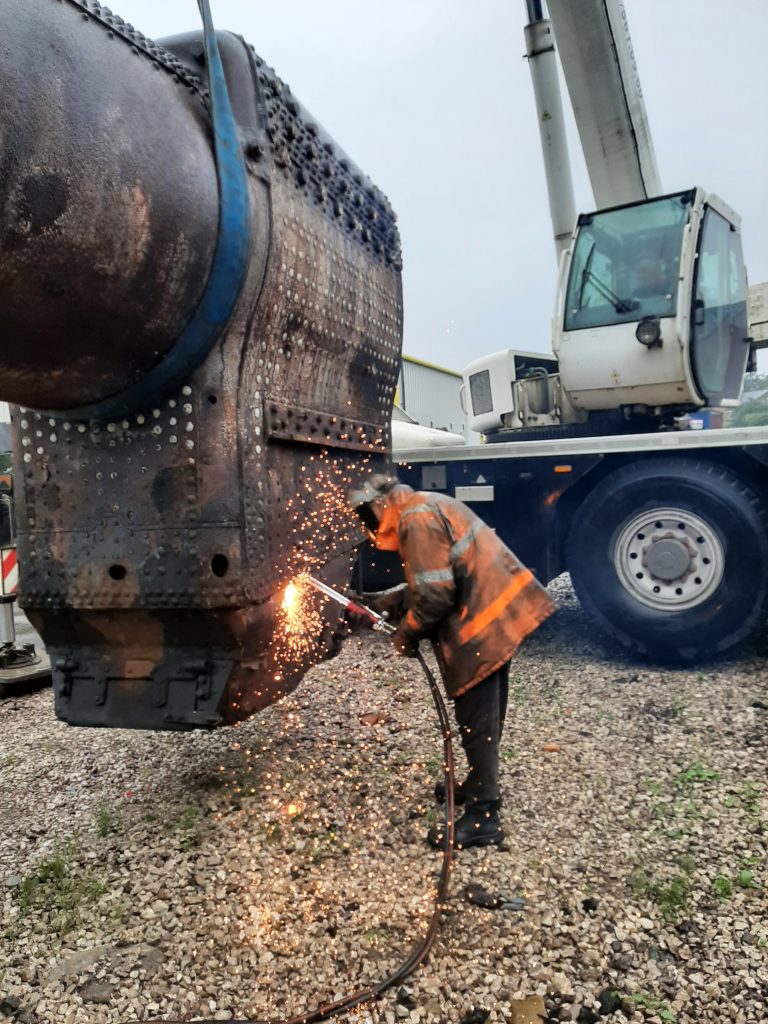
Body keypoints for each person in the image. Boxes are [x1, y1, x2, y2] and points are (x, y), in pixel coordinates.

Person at [349, 473, 556, 850]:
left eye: (368, 518)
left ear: (381, 504)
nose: (371, 531)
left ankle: (484, 816)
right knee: (486, 714)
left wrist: (406, 634)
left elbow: (435, 597)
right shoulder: (424, 505)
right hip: (497, 615)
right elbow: (433, 582)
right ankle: (479, 784)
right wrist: (380, 605)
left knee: (477, 720)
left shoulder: (415, 519)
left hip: (483, 623)